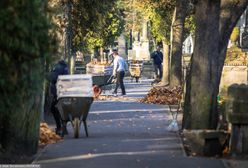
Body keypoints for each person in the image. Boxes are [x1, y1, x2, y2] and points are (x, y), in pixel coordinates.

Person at [49, 59, 69, 135]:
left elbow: (53, 79)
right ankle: (64, 126)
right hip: (65, 92)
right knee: (63, 110)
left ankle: (59, 127)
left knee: (54, 109)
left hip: (58, 92)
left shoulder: (57, 67)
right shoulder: (65, 67)